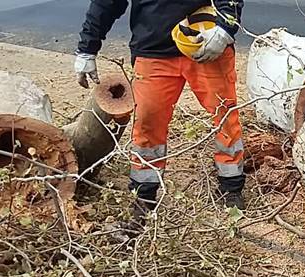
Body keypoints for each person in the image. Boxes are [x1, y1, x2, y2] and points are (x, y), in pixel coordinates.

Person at [74, 0, 246, 222]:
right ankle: (144, 196)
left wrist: (225, 28)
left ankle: (231, 188)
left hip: (206, 43)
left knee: (225, 120)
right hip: (153, 50)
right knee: (146, 126)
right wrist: (87, 48)